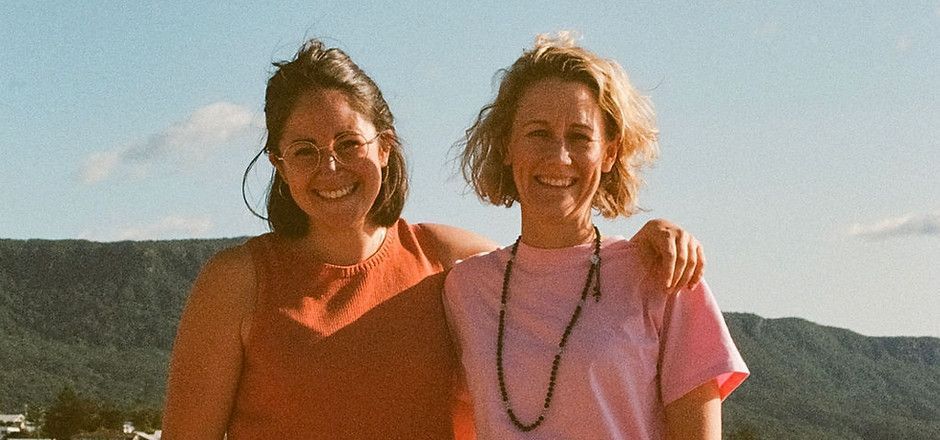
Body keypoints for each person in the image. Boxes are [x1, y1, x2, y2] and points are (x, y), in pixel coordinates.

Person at [162, 38, 708, 439]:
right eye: (304, 150)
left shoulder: (447, 264)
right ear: (280, 164)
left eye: (350, 143)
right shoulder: (236, 281)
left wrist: (650, 241)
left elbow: (557, 266)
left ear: (385, 147)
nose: (330, 167)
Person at [445, 33, 749, 439]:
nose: (559, 156)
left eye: (579, 136)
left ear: (609, 153)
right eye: (537, 133)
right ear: (506, 146)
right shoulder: (464, 290)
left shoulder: (665, 276)